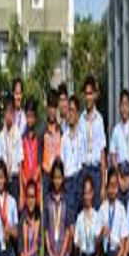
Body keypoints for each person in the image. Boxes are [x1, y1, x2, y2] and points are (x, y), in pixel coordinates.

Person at [98, 168, 129, 256]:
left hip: (116, 255)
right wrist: (101, 234)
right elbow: (97, 241)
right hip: (104, 254)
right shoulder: (102, 209)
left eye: (115, 186)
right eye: (110, 186)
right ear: (106, 187)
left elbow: (123, 244)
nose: (113, 190)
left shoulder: (121, 209)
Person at [79, 75, 107, 210]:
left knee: (96, 210)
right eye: (86, 94)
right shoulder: (81, 120)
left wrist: (103, 184)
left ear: (95, 95)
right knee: (85, 210)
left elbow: (102, 153)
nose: (88, 97)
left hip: (96, 172)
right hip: (84, 170)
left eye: (91, 93)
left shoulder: (99, 120)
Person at [43, 158, 71, 256]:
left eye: (59, 177)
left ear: (63, 178)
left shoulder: (67, 199)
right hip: (51, 255)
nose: (57, 181)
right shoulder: (47, 199)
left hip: (63, 255)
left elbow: (68, 232)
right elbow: (46, 231)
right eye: (55, 177)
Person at [71, 175, 102, 256]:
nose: (87, 196)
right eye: (85, 193)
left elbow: (99, 249)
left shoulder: (97, 216)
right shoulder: (79, 218)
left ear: (93, 194)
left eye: (89, 193)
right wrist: (77, 245)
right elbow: (77, 245)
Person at [109, 89, 129, 206]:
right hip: (120, 170)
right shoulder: (116, 130)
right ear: (119, 107)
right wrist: (119, 177)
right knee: (120, 206)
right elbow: (113, 156)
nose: (124, 108)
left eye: (127, 104)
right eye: (122, 105)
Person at [61, 95, 85, 226]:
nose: (70, 114)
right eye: (69, 110)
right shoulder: (64, 138)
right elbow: (62, 163)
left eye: (73, 110)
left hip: (80, 179)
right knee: (71, 223)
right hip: (69, 182)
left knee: (81, 220)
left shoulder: (82, 137)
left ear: (78, 114)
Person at [17, 179, 43, 256]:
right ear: (26, 199)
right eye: (28, 197)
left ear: (36, 198)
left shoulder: (39, 217)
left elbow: (38, 244)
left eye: (33, 197)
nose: (31, 200)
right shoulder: (22, 218)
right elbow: (21, 250)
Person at [0, 96, 23, 206]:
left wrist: (21, 192)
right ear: (4, 114)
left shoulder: (17, 134)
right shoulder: (0, 136)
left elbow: (20, 164)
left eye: (11, 112)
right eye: (7, 112)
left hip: (14, 179)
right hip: (4, 179)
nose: (9, 115)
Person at [40, 89, 62, 200]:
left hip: (58, 177)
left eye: (54, 107)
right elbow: (39, 154)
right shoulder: (42, 130)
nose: (52, 111)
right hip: (46, 176)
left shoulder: (60, 130)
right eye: (50, 107)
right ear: (47, 108)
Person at [20, 97, 41, 212]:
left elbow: (40, 163)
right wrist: (25, 181)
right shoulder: (22, 138)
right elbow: (21, 164)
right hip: (25, 184)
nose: (30, 120)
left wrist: (34, 179)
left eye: (32, 116)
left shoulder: (39, 138)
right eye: (28, 116)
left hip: (36, 185)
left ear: (36, 118)